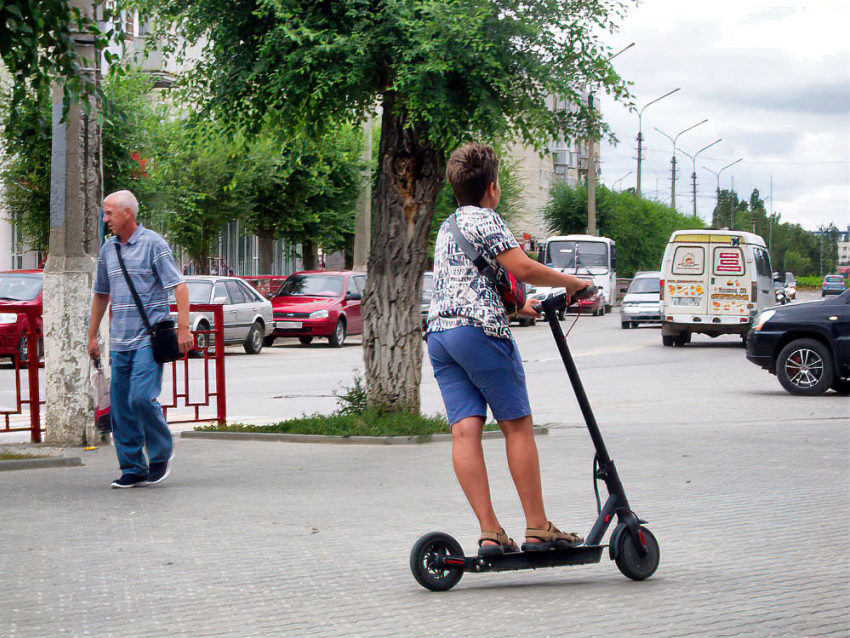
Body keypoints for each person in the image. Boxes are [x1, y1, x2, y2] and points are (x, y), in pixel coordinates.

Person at [426, 143, 590, 555]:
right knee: (516, 425)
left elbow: (472, 279)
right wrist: (572, 283)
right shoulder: (488, 219)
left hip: (441, 337)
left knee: (465, 430)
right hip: (480, 332)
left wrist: (521, 305)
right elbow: (524, 268)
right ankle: (538, 526)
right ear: (493, 187)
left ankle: (490, 531)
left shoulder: (449, 226)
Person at [87, 190, 193, 489]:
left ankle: (161, 452)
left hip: (149, 338)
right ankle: (132, 467)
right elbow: (101, 294)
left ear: (127, 214)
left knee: (141, 398)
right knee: (121, 409)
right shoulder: (109, 250)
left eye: (109, 213)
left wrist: (183, 328)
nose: (105, 219)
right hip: (119, 341)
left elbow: (179, 286)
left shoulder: (154, 244)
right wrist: (92, 335)